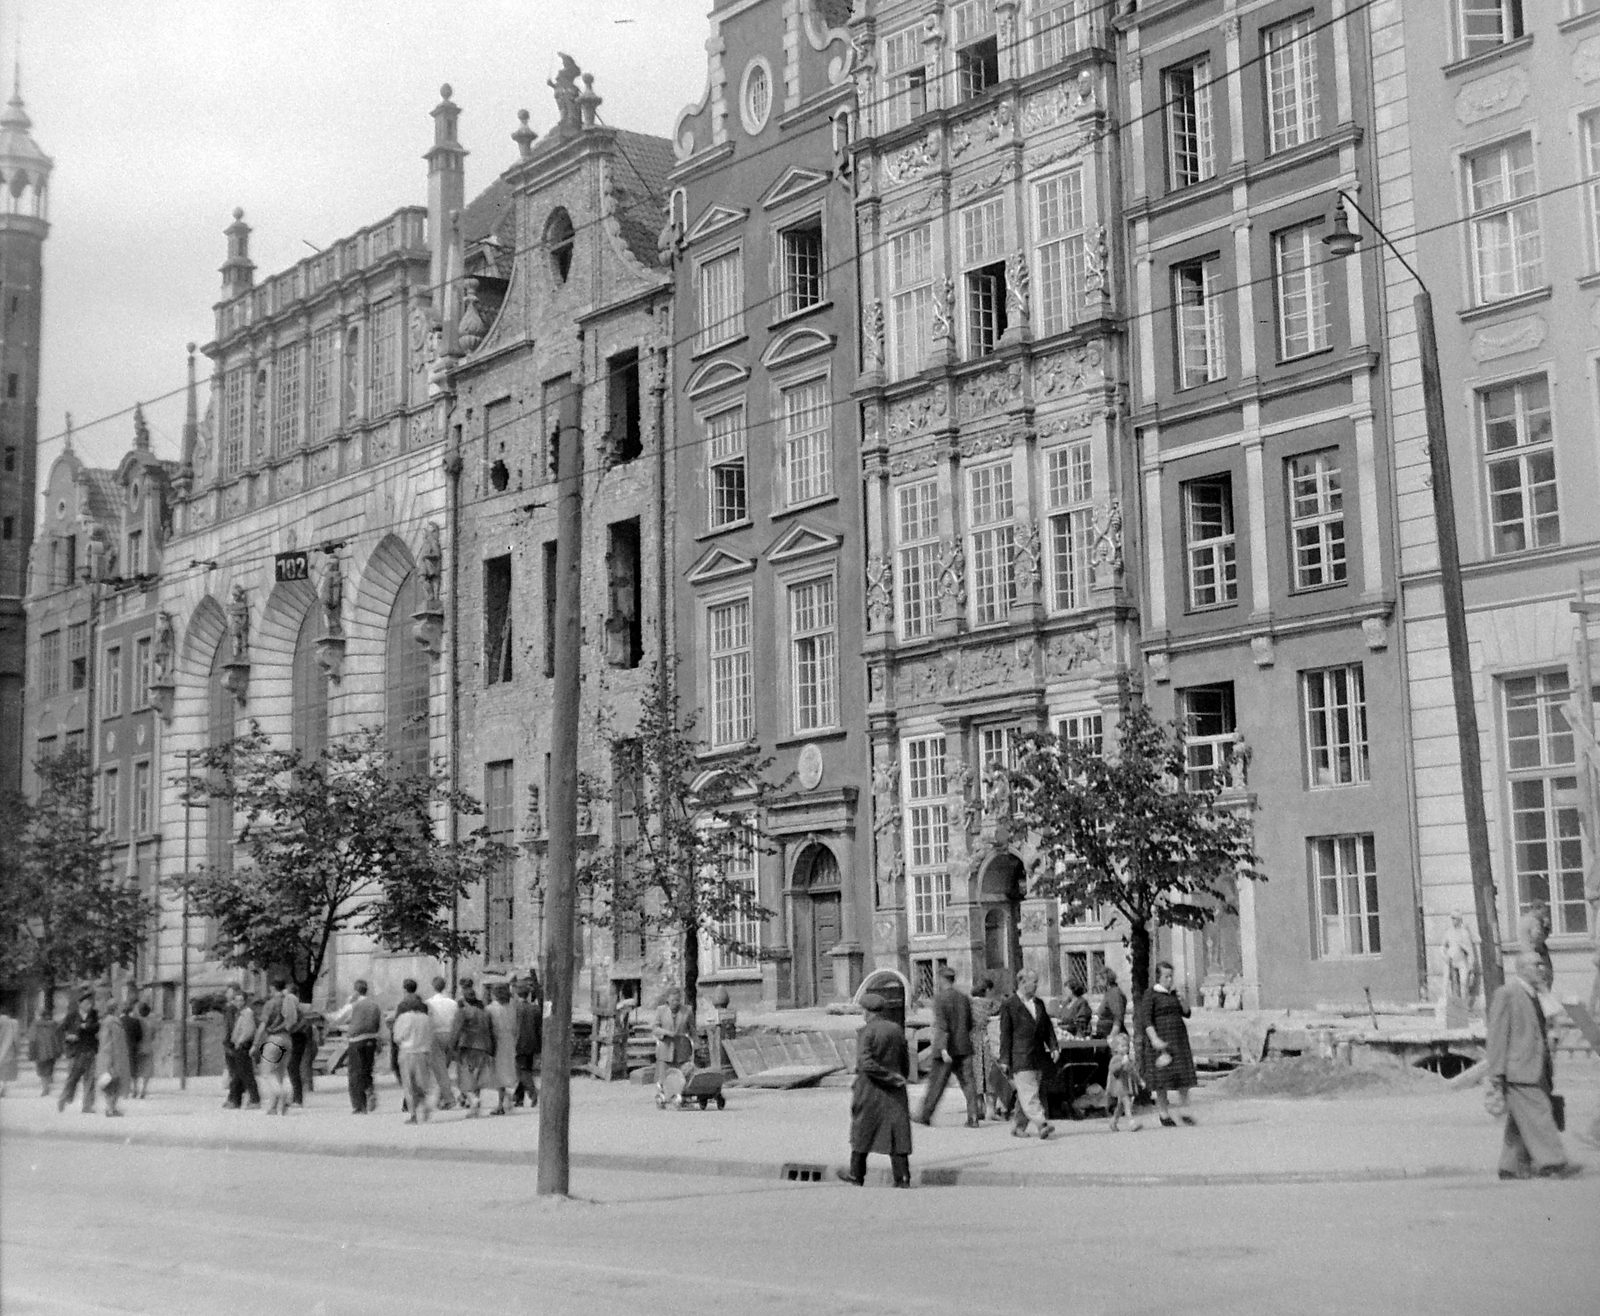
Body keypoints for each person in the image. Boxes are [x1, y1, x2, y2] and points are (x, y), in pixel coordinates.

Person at [1485, 952, 1580, 1179]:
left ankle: (1511, 1166)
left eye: (1542, 964)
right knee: (1540, 1115)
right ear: (1521, 968)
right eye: (1535, 964)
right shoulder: (1507, 994)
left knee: (1521, 1119)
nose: (1541, 968)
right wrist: (1496, 1073)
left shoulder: (1537, 995)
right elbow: (1497, 1035)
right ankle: (1553, 1163)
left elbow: (1548, 1023)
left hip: (1537, 1068)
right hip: (1518, 1069)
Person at [837, 992, 914, 1188]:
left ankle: (856, 1174)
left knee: (863, 1130)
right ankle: (902, 1177)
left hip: (870, 1089)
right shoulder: (896, 1029)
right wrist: (898, 1077)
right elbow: (905, 1060)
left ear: (868, 1012)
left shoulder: (866, 1032)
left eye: (864, 1011)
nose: (863, 1014)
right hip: (894, 1091)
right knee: (897, 1132)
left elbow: (865, 1063)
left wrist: (887, 1077)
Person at [915, 966, 980, 1128]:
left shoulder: (940, 998)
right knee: (968, 1083)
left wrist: (943, 1049)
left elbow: (943, 1026)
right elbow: (970, 1023)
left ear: (941, 979)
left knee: (936, 1083)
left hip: (946, 1050)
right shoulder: (963, 998)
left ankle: (925, 1115)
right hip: (964, 1047)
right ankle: (973, 1116)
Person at [999, 968, 1058, 1139]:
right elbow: (1005, 1033)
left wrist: (1053, 1047)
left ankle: (1019, 1127)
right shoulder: (1009, 1005)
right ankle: (1042, 1124)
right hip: (1020, 1056)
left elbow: (1047, 1028)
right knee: (1030, 1093)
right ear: (1022, 982)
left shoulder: (1038, 1003)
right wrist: (1004, 1059)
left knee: (1026, 1094)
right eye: (1034, 982)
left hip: (1037, 1055)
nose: (1037, 986)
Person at [1139, 961, 1198, 1127]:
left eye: (1171, 976)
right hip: (1161, 1038)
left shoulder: (1174, 994)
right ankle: (1164, 1114)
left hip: (1178, 1037)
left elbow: (1187, 1013)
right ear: (1158, 977)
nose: (1169, 979)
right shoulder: (1151, 994)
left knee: (1183, 1075)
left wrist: (1183, 1000)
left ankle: (1184, 1110)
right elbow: (1146, 1019)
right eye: (1166, 976)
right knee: (1162, 1079)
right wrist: (1154, 1039)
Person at [332, 980, 382, 1115]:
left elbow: (338, 1018)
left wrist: (347, 1004)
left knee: (355, 1072)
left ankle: (359, 1105)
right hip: (371, 1038)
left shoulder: (353, 1005)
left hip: (357, 1039)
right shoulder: (375, 1005)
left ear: (355, 990)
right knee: (367, 1069)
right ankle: (369, 1089)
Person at [253, 978, 299, 1115]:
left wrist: (255, 1044)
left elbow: (262, 1025)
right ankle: (274, 1106)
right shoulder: (289, 1001)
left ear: (273, 988)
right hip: (287, 1038)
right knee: (279, 1073)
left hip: (274, 1039)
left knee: (266, 1072)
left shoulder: (271, 1004)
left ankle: (281, 1095)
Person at [449, 982, 493, 1117]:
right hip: (483, 1046)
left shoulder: (463, 1012)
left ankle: (473, 1100)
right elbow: (490, 1031)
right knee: (476, 1076)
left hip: (467, 1046)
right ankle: (475, 1108)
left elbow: (456, 1031)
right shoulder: (484, 1013)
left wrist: (451, 1046)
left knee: (464, 1077)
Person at [392, 989, 434, 1124]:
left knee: (409, 1085)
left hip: (407, 1052)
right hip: (423, 1053)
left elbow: (397, 1037)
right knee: (423, 1083)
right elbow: (431, 1036)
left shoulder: (404, 1018)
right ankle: (426, 1104)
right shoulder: (427, 1018)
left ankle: (413, 1114)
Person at [58, 991, 100, 1113]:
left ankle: (87, 1106)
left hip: (90, 1051)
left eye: (91, 1003)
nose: (90, 1006)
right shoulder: (71, 1016)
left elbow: (97, 1026)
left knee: (90, 1080)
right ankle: (63, 1099)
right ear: (80, 1004)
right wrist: (68, 1036)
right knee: (72, 1079)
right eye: (87, 1003)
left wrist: (86, 1027)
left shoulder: (94, 1015)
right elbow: (60, 1030)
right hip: (76, 1052)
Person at [651, 987, 694, 1098]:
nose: (676, 1002)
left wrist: (697, 1045)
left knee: (683, 1075)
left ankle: (683, 1095)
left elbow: (693, 1030)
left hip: (682, 1049)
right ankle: (665, 1095)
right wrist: (665, 1033)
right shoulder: (661, 1010)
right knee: (665, 1076)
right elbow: (655, 1028)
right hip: (666, 1048)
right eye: (673, 1000)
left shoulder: (687, 1011)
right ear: (668, 1000)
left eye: (678, 1000)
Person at [968, 974, 1000, 1121]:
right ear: (987, 990)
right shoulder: (991, 1004)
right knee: (990, 1073)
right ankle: (991, 1109)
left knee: (976, 1074)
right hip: (987, 1041)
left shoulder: (968, 1004)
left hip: (972, 1041)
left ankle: (979, 1108)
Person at [223, 986, 260, 1109]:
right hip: (238, 1046)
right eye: (236, 1000)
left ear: (245, 1001)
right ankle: (234, 1099)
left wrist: (239, 1041)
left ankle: (255, 1099)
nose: (239, 1003)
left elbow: (249, 1031)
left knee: (246, 1074)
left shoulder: (247, 1013)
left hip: (243, 1046)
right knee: (239, 1074)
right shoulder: (239, 1013)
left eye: (241, 1000)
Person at [95, 992, 132, 1118]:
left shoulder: (114, 1022)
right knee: (112, 1084)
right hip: (112, 1058)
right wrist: (109, 1060)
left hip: (118, 1056)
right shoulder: (110, 1023)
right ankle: (110, 1108)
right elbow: (106, 1042)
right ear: (115, 1009)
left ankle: (112, 1107)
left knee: (115, 1083)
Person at [426, 976, 459, 1110]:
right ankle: (444, 1097)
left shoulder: (429, 1003)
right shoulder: (452, 1003)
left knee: (440, 1070)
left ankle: (448, 1098)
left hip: (436, 1034)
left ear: (433, 987)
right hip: (450, 1034)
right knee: (445, 1068)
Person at [487, 983, 519, 1115]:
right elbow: (516, 1027)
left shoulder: (490, 1009)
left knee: (498, 1071)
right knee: (508, 1069)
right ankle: (507, 1097)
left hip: (497, 1041)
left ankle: (501, 1102)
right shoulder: (512, 1008)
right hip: (509, 1040)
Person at [512, 980, 542, 1108]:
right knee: (526, 1069)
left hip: (518, 1043)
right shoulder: (535, 1009)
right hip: (532, 1042)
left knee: (522, 1071)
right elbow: (539, 1028)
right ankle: (518, 1097)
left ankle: (533, 1093)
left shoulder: (514, 1009)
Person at [1105, 1030, 1140, 1133]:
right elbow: (1113, 1070)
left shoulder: (1128, 1058)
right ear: (1116, 1048)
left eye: (1126, 1046)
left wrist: (1140, 1081)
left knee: (1120, 1107)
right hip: (1119, 1086)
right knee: (1127, 1103)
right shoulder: (1115, 1059)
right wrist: (1121, 1064)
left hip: (1127, 1085)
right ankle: (1131, 1122)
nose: (1125, 1048)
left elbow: (1133, 1071)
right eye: (1122, 1046)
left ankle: (1114, 1121)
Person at [1442, 911, 1480, 1005]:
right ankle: (1455, 1004)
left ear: (1459, 920)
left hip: (1462, 961)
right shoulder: (1449, 932)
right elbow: (1443, 946)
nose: (1453, 921)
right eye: (1452, 918)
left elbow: (1470, 951)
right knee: (1452, 984)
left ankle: (1464, 1004)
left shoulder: (1464, 933)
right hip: (1451, 961)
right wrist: (1444, 956)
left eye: (1455, 918)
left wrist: (1471, 964)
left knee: (1463, 983)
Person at [28, 1007, 64, 1097]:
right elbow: (59, 1037)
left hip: (39, 1050)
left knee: (41, 1069)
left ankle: (45, 1087)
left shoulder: (35, 1025)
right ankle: (48, 1083)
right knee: (49, 1068)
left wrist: (31, 1050)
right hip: (52, 1051)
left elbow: (32, 1038)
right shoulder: (54, 1025)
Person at [118, 1000, 143, 1101]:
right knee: (134, 1069)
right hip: (133, 1047)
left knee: (122, 1068)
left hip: (121, 1048)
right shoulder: (135, 1021)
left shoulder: (118, 1021)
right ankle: (135, 1088)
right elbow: (139, 1036)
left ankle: (124, 1090)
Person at [1093, 969, 1127, 1040]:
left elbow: (1118, 1017)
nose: (1097, 984)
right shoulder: (1109, 993)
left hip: (1111, 1033)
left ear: (1105, 979)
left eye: (1098, 981)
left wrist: (1112, 1036)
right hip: (1104, 1033)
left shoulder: (1114, 993)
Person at [0, 1008, 16, 1097]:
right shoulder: (11, 1023)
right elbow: (14, 1037)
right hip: (7, 1048)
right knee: (4, 1071)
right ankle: (3, 1086)